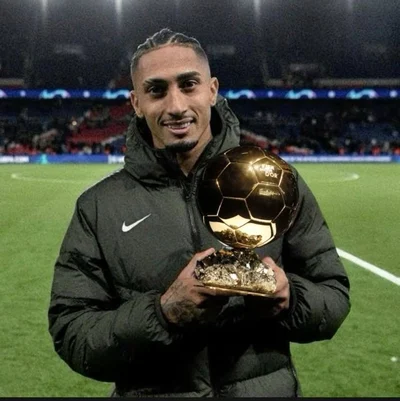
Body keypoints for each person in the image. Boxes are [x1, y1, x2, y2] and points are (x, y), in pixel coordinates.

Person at [48, 28, 351, 397]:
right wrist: (163, 313)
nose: (176, 106)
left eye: (188, 84)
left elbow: (334, 296)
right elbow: (73, 334)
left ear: (212, 90)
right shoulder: (98, 207)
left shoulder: (276, 183)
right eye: (156, 90)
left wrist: (289, 299)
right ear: (136, 103)